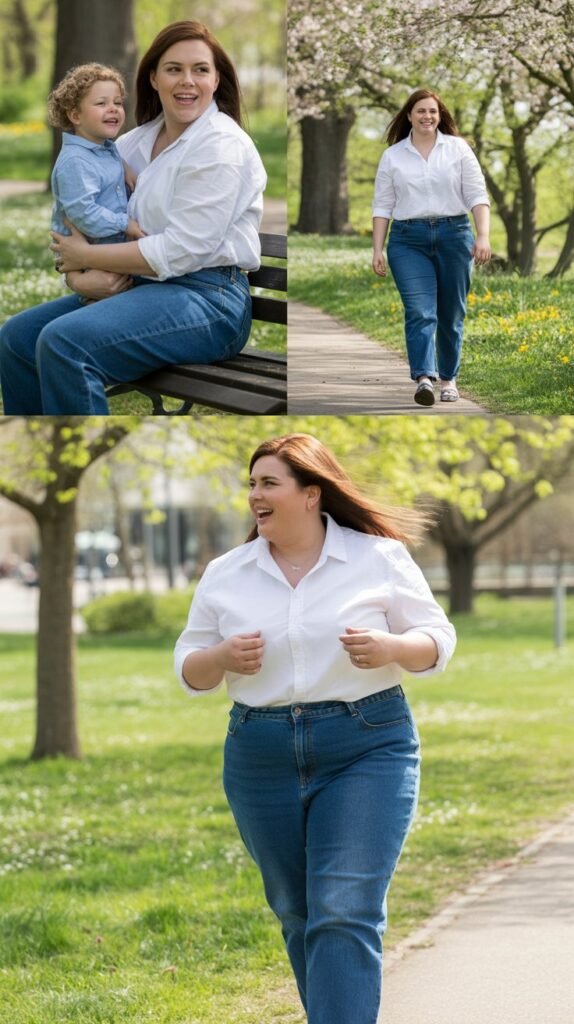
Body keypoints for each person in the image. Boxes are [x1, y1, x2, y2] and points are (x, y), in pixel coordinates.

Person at [174, 433, 457, 1024]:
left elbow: (437, 640)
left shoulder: (377, 557)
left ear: (312, 494)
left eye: (269, 482)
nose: (255, 494)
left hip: (367, 744)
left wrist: (391, 647)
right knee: (298, 911)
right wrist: (222, 657)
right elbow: (189, 667)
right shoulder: (227, 573)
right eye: (251, 483)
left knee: (344, 908)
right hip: (259, 751)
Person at [0, 20, 266, 414]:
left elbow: (182, 251)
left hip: (208, 300)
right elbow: (76, 217)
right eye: (174, 69)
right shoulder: (131, 142)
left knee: (64, 343)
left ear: (216, 80)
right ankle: (41, 459)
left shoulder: (221, 147)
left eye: (200, 70)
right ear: (154, 78)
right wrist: (79, 275)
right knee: (16, 339)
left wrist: (88, 259)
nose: (187, 81)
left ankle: (75, 469)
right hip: (139, 287)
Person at [372, 88, 491, 407]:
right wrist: (377, 249)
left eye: (433, 112)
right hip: (408, 241)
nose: (427, 116)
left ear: (440, 116)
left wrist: (483, 236)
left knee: (451, 314)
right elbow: (383, 205)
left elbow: (477, 195)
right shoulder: (393, 156)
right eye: (421, 111)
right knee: (419, 310)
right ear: (409, 115)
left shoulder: (458, 149)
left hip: (455, 236)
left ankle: (449, 379)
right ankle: (424, 377)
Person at [47, 63, 144, 245]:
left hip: (110, 249)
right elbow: (84, 214)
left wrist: (123, 166)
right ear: (76, 116)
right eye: (101, 103)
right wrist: (124, 224)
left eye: (117, 102)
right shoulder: (75, 161)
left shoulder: (106, 149)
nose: (113, 108)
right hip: (89, 254)